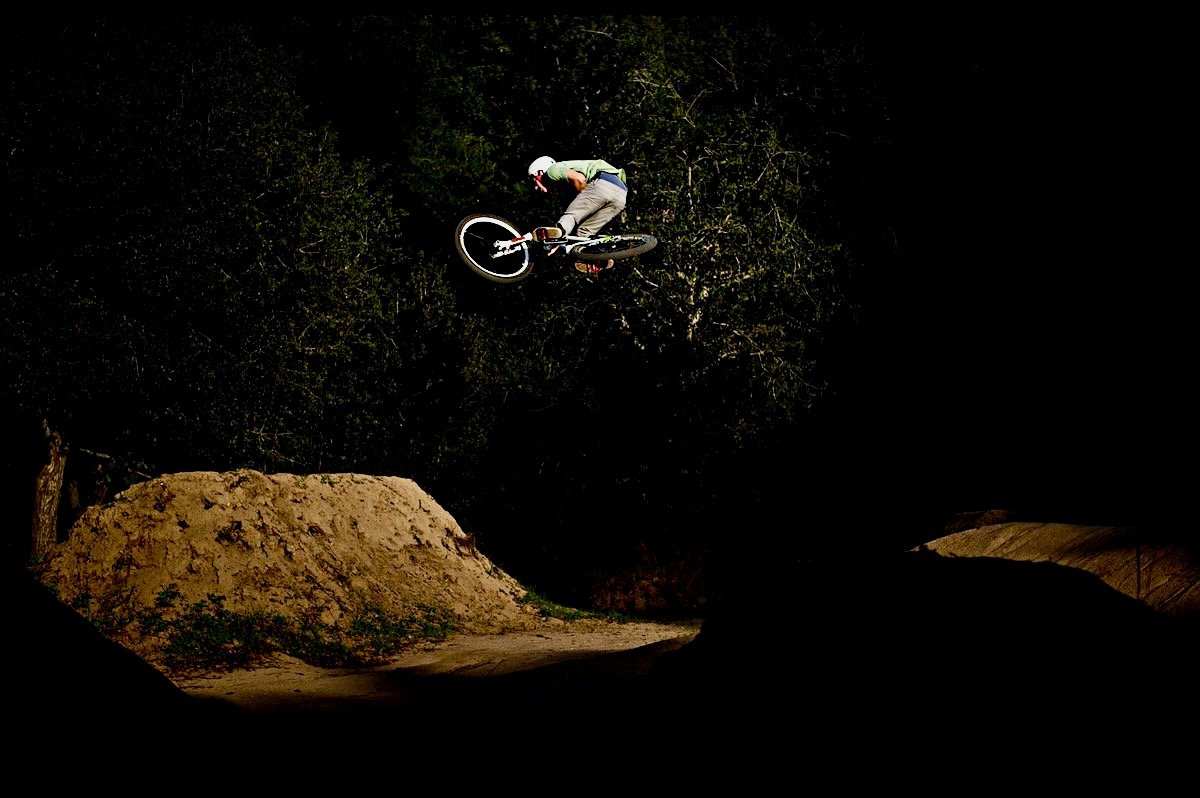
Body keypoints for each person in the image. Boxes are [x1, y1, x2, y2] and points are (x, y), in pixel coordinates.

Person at [527, 156, 628, 274]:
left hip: (603, 184)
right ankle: (597, 257)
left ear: (540, 171)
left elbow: (579, 179)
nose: (535, 186)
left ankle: (558, 235)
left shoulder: (552, 171)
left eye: (534, 179)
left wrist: (589, 198)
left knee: (571, 216)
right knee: (583, 234)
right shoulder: (564, 183)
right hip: (621, 195)